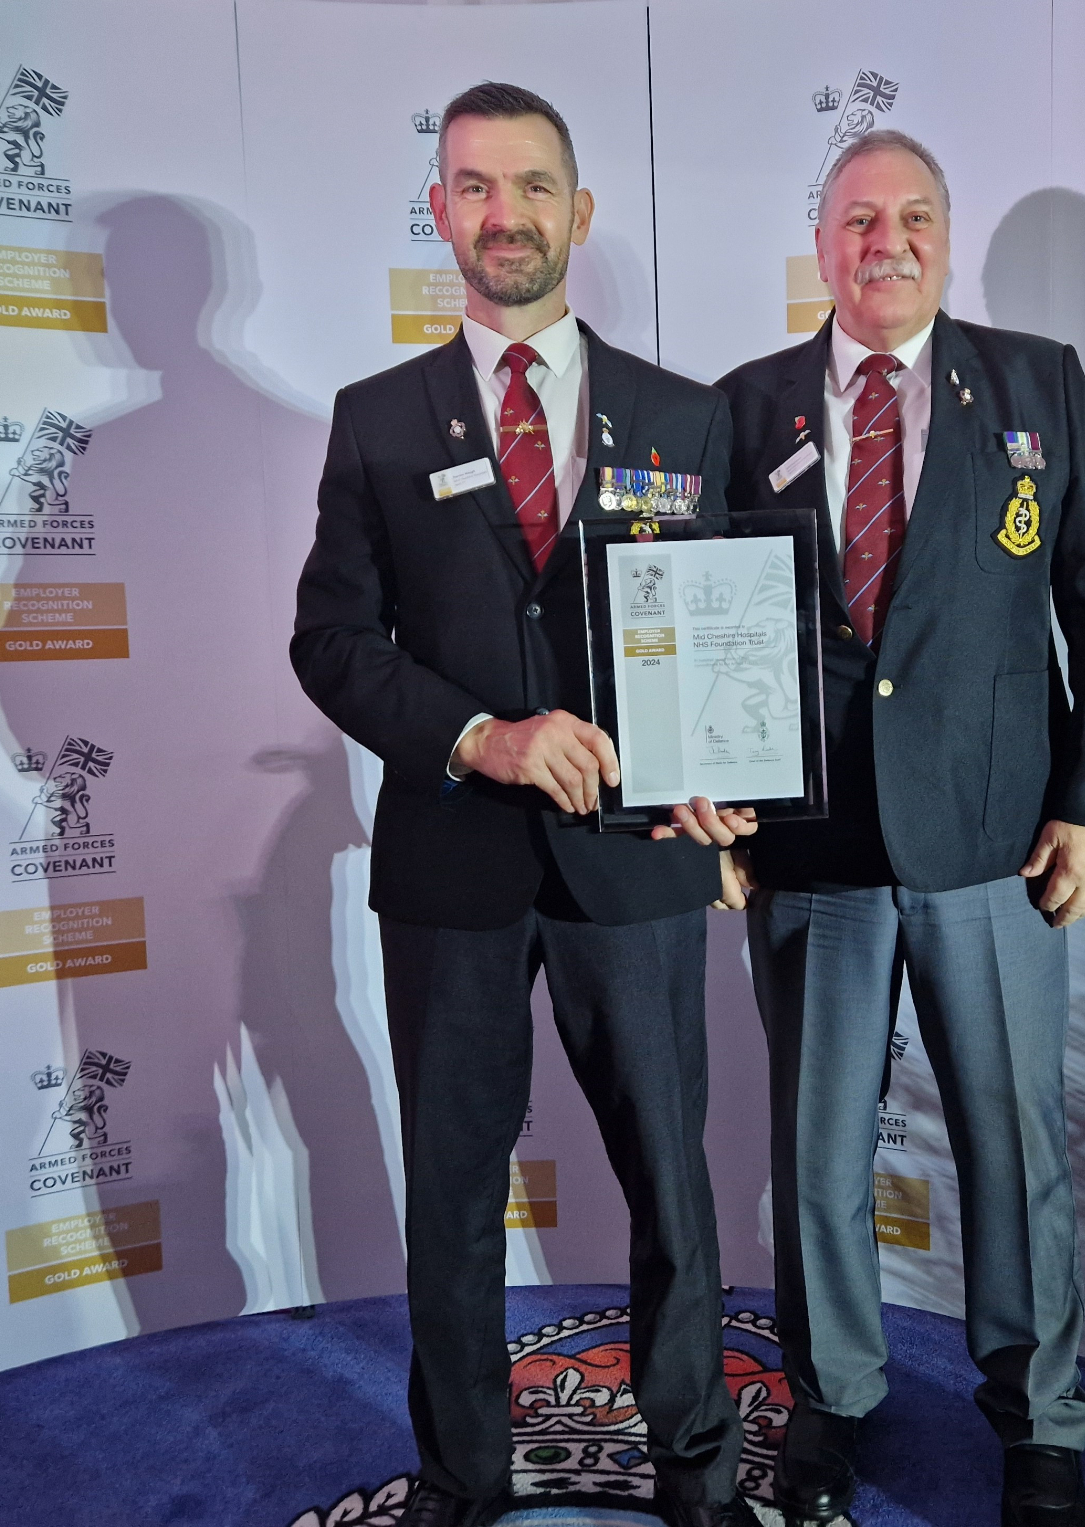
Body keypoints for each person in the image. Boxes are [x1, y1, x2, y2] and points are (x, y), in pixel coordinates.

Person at [290, 82, 757, 1527]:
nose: (507, 215)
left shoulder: (688, 417)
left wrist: (724, 771)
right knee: (452, 1199)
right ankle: (461, 1479)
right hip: (453, 866)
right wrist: (481, 737)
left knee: (673, 1187)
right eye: (476, 187)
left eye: (534, 186)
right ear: (441, 211)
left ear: (581, 212)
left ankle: (695, 1466)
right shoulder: (375, 421)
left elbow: (737, 632)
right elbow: (331, 645)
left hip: (639, 866)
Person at [714, 130, 1085, 1527]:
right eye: (856, 218)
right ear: (822, 241)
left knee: (1013, 1149)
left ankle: (1040, 1419)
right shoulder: (745, 408)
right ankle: (831, 1398)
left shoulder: (1037, 387)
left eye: (910, 217)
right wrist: (705, 799)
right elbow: (706, 630)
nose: (883, 241)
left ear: (945, 239)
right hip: (813, 846)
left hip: (992, 845)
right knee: (818, 1154)